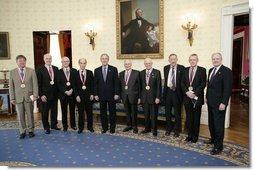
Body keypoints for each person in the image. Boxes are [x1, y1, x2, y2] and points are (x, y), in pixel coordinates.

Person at [205, 52, 233, 155]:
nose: (215, 60)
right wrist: (206, 97)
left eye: (217, 59)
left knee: (218, 125)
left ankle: (218, 147)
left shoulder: (226, 71)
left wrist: (224, 103)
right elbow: (209, 86)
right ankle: (213, 139)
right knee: (211, 123)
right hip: (210, 102)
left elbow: (227, 89)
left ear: (221, 59)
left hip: (220, 104)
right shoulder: (211, 70)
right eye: (213, 59)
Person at [9, 55, 38, 139]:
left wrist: (35, 95)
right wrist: (12, 98)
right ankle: (22, 131)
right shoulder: (12, 72)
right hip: (17, 98)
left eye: (23, 61)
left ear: (25, 61)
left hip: (29, 97)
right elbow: (11, 86)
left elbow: (35, 84)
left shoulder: (31, 71)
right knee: (20, 115)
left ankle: (31, 130)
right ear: (17, 62)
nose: (22, 62)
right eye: (20, 61)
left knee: (30, 115)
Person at [181, 54, 206, 143]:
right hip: (187, 98)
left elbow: (203, 84)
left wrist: (194, 93)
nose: (192, 61)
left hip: (197, 98)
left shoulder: (202, 70)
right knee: (189, 118)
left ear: (197, 60)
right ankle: (189, 135)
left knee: (196, 118)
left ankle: (195, 136)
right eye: (191, 60)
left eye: (194, 60)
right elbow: (182, 83)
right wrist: (187, 92)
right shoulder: (185, 70)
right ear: (189, 60)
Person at [94, 53, 120, 134]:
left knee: (112, 112)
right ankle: (104, 128)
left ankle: (112, 128)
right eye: (103, 58)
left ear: (108, 60)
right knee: (103, 112)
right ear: (101, 60)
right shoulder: (97, 70)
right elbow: (96, 84)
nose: (104, 60)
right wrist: (96, 94)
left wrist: (116, 93)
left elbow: (116, 83)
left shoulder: (113, 69)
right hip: (101, 95)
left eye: (106, 58)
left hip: (112, 95)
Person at [36, 53, 60, 134]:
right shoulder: (40, 69)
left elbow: (58, 82)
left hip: (55, 94)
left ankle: (54, 125)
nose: (48, 60)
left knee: (54, 111)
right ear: (44, 59)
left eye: (50, 58)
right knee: (45, 112)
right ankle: (46, 127)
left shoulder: (56, 69)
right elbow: (38, 84)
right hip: (45, 96)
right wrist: (41, 95)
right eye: (47, 58)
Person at [163, 54, 185, 137]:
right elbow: (165, 82)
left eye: (174, 59)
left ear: (177, 60)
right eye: (171, 59)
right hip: (168, 92)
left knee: (177, 113)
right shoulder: (165, 68)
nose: (173, 61)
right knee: (167, 112)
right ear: (169, 60)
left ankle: (177, 130)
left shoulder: (181, 68)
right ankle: (168, 129)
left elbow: (183, 82)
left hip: (177, 93)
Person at [140, 58, 161, 136]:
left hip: (153, 98)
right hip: (144, 98)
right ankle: (147, 128)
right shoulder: (141, 73)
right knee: (146, 114)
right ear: (144, 64)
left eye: (149, 63)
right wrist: (140, 97)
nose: (147, 64)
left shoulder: (157, 72)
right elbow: (140, 87)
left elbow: (159, 86)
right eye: (146, 63)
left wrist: (158, 97)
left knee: (153, 114)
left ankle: (154, 129)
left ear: (152, 63)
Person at [119, 59, 141, 134]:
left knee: (134, 112)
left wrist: (139, 97)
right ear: (124, 65)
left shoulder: (137, 73)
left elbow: (140, 87)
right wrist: (121, 97)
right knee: (127, 112)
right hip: (125, 96)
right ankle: (129, 125)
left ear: (131, 64)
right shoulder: (121, 74)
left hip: (134, 96)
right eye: (125, 64)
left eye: (128, 64)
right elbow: (120, 86)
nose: (127, 65)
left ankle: (135, 126)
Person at [73, 58, 94, 134]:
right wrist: (76, 96)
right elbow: (74, 86)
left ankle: (90, 127)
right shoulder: (75, 73)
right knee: (80, 113)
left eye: (84, 63)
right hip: (79, 97)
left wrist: (92, 94)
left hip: (89, 96)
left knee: (89, 113)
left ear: (86, 64)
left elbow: (92, 85)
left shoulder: (90, 72)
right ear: (79, 64)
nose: (83, 64)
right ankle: (80, 127)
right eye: (81, 63)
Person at [57, 57, 77, 131]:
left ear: (69, 62)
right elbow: (58, 84)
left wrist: (71, 90)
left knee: (72, 111)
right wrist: (65, 91)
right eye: (64, 61)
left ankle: (73, 125)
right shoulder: (58, 72)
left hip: (72, 94)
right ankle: (65, 125)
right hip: (63, 95)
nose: (65, 62)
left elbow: (75, 83)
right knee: (64, 111)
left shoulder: (74, 71)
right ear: (62, 62)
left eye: (67, 61)